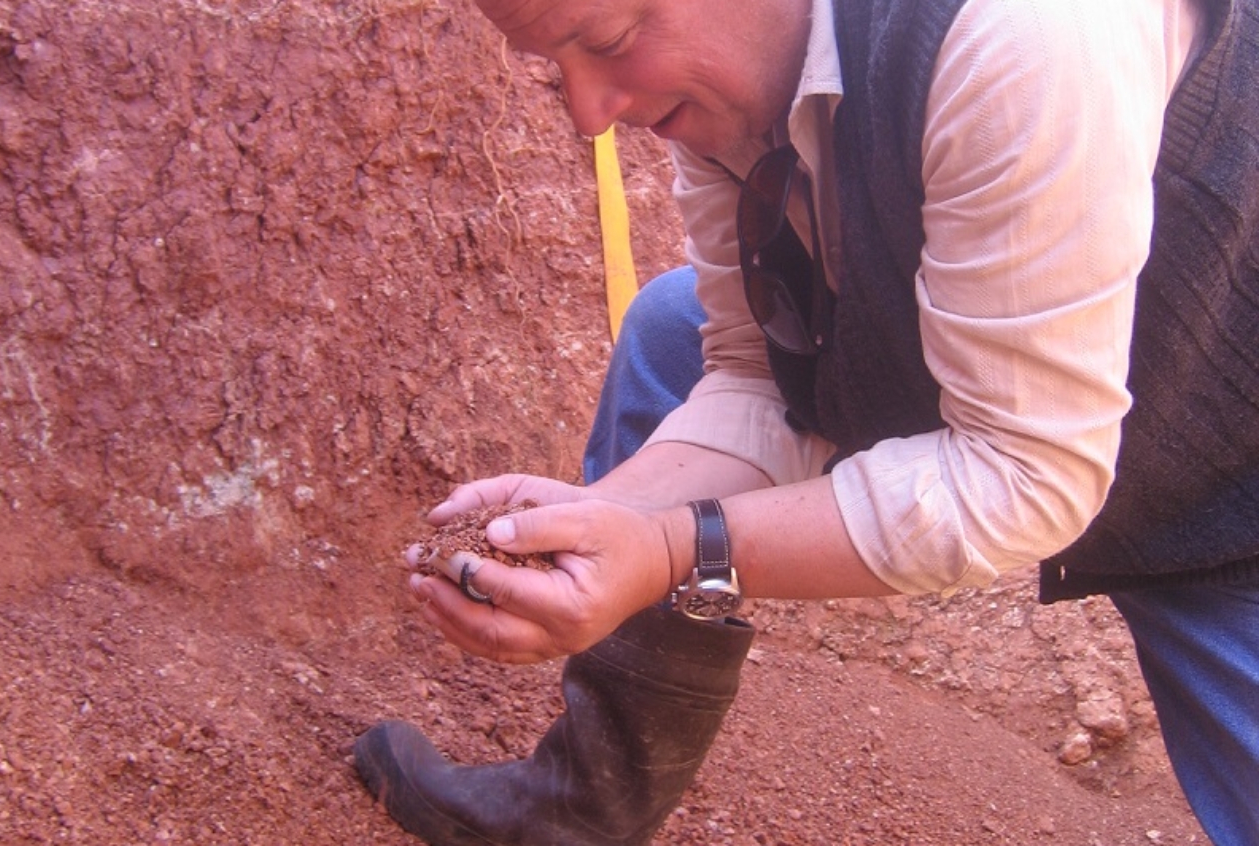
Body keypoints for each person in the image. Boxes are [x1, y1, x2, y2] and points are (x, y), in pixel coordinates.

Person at [353, 0, 1259, 843]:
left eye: (612, 38)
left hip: (1227, 438)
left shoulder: (1030, 30)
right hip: (1039, 375)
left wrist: (678, 549)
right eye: (555, 63)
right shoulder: (732, 82)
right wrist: (603, 527)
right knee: (671, 331)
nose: (591, 112)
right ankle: (583, 800)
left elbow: (1024, 474)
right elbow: (755, 371)